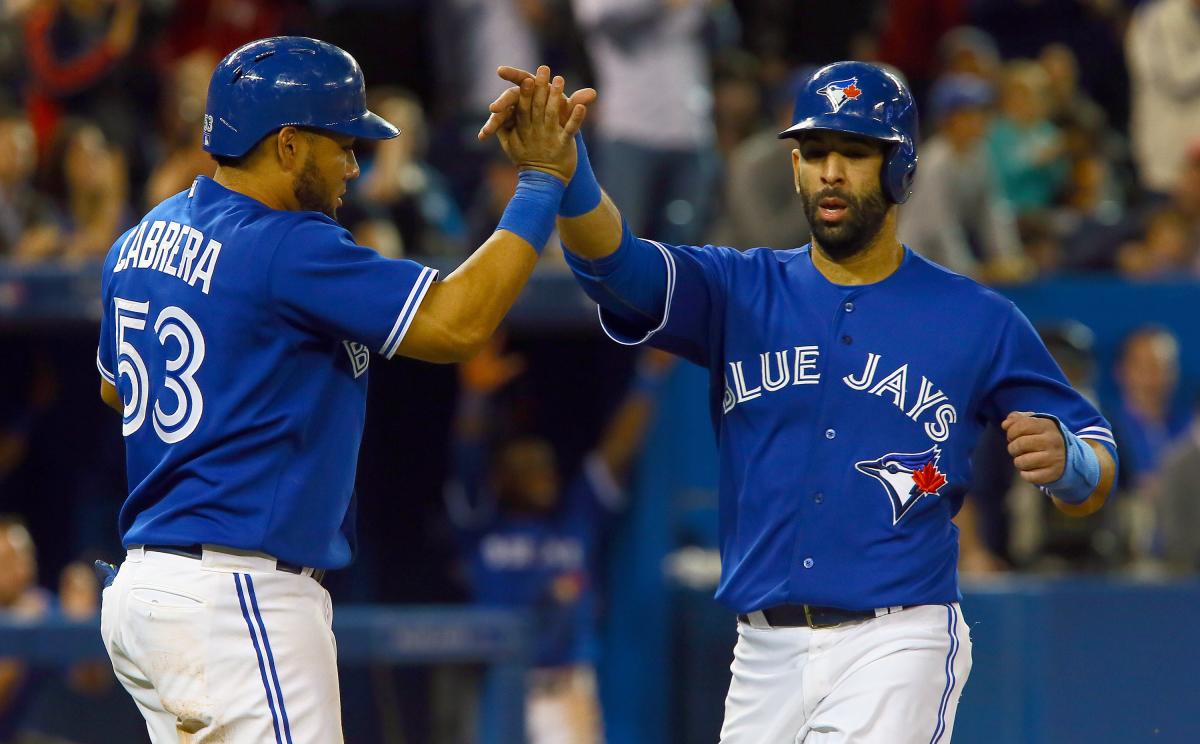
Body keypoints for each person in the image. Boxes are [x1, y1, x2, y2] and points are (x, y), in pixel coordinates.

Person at [481, 60, 1118, 742]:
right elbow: (617, 267)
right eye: (815, 152)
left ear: (900, 168)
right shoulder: (737, 286)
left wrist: (1071, 463)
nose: (831, 172)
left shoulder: (975, 317)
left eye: (854, 152)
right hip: (762, 654)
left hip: (895, 639)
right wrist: (566, 174)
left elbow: (1097, 458)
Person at [95, 39, 592, 742]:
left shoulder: (140, 237)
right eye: (343, 142)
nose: (355, 164)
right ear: (288, 145)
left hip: (149, 592)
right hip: (239, 596)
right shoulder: (287, 243)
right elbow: (455, 325)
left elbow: (115, 393)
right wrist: (540, 182)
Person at [445, 339, 673, 743]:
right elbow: (467, 452)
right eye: (527, 466)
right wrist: (475, 396)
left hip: (566, 686)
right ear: (501, 477)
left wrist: (649, 376)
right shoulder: (481, 522)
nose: (542, 472)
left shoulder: (575, 519)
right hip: (500, 681)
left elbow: (616, 452)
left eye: (545, 465)